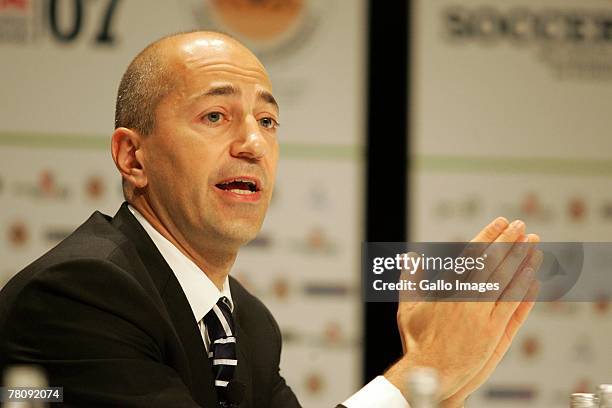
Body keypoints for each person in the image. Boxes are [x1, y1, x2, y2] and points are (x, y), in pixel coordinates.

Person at [0, 31, 541, 407]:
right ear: (132, 157)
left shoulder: (248, 325)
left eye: (267, 120)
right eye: (215, 116)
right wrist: (420, 372)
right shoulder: (80, 294)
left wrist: (445, 392)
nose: (253, 143)